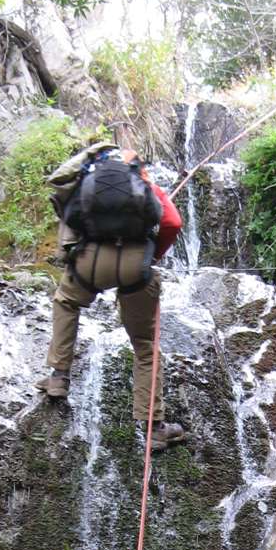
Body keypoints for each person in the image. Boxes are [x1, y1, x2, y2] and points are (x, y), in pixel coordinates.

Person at [38, 141, 187, 452]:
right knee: (145, 345)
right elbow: (173, 222)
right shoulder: (143, 184)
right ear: (137, 167)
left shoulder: (87, 181)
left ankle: (58, 377)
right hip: (135, 266)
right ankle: (154, 428)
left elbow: (67, 214)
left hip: (89, 262)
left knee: (66, 302)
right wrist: (152, 255)